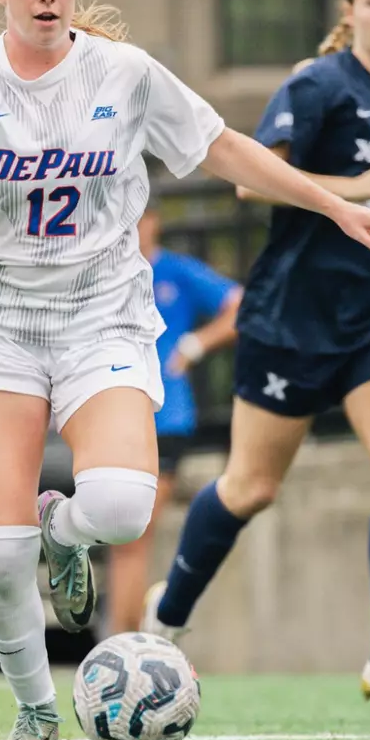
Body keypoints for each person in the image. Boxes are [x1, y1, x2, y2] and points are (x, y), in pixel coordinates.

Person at [0, 0, 370, 740]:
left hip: (101, 310)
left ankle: (64, 531)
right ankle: (35, 712)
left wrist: (335, 203)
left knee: (125, 509)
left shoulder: (125, 74)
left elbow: (227, 150)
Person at [143, 0, 370, 706]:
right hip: (294, 317)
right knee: (251, 487)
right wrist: (357, 187)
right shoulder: (315, 84)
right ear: (347, 11)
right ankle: (167, 617)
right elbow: (259, 183)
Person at [104, 207, 241, 633]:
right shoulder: (102, 271)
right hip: (112, 417)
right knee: (121, 538)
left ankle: (125, 642)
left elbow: (241, 305)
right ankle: (123, 638)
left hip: (165, 421)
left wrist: (197, 343)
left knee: (130, 538)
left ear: (154, 221)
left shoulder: (175, 272)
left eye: (140, 217)